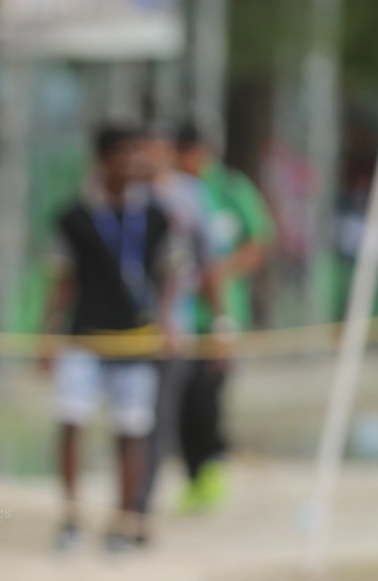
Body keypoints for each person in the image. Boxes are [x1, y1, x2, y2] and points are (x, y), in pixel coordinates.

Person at [40, 124, 178, 553]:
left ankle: (126, 519)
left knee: (132, 429)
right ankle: (71, 517)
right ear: (102, 160)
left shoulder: (156, 215)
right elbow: (62, 279)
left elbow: (171, 272)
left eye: (139, 152)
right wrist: (48, 334)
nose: (135, 162)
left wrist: (167, 322)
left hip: (136, 338)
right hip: (84, 337)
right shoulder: (74, 214)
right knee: (71, 422)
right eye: (124, 153)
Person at [175, 123, 274, 513]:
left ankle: (213, 469)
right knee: (181, 399)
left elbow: (259, 239)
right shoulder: (174, 192)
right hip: (181, 317)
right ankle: (192, 474)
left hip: (221, 314)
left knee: (210, 395)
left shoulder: (232, 190)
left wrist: (223, 272)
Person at [133, 126, 229, 529]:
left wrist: (221, 322)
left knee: (170, 414)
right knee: (137, 419)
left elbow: (206, 263)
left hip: (179, 327)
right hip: (129, 328)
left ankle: (142, 505)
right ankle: (134, 502)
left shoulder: (189, 196)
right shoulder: (128, 195)